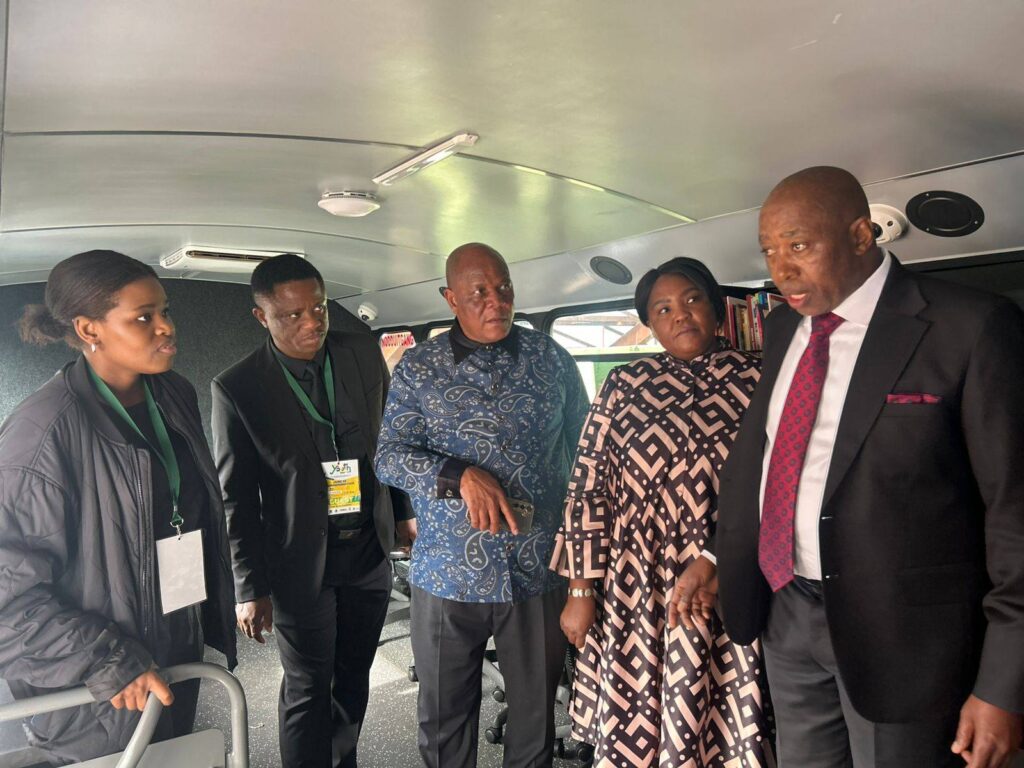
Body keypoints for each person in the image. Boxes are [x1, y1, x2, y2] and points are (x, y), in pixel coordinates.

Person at [697, 166, 1024, 768]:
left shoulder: (970, 326)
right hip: (786, 606)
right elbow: (768, 457)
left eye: (799, 246)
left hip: (905, 632)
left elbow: (1014, 512)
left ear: (859, 235)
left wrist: (1004, 682)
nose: (781, 270)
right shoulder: (782, 326)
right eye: (769, 251)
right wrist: (720, 553)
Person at [0, 250, 237, 765]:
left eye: (165, 311)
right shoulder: (40, 434)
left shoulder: (172, 393)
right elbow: (6, 605)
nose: (166, 327)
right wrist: (109, 661)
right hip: (98, 683)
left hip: (174, 642)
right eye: (143, 317)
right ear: (89, 329)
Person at [374, 242, 589, 768]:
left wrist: (583, 568)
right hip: (448, 575)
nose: (497, 301)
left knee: (535, 720)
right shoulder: (419, 368)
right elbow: (389, 457)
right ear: (450, 298)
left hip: (537, 570)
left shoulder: (552, 359)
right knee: (443, 720)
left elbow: (588, 454)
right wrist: (458, 475)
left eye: (503, 288)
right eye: (478, 293)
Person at [552, 257, 774, 768]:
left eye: (692, 300)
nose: (681, 315)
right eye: (663, 309)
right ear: (649, 323)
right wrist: (580, 590)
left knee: (724, 712)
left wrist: (720, 557)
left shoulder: (758, 378)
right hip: (635, 580)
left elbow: (777, 482)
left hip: (726, 569)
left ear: (716, 308)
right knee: (640, 717)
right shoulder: (623, 385)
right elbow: (588, 489)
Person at [211, 254, 413, 768]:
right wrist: (249, 587)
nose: (311, 323)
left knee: (354, 676)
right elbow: (236, 497)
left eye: (318, 309)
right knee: (307, 686)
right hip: (299, 561)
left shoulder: (361, 352)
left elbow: (388, 441)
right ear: (262, 317)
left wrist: (403, 512)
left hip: (368, 549)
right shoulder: (238, 387)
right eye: (292, 315)